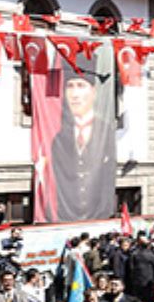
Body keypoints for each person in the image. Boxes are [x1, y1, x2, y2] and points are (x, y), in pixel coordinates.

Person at [49, 70, 116, 221]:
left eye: (80, 86)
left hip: (98, 213)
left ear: (93, 91)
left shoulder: (106, 131)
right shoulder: (58, 136)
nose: (74, 94)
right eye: (70, 86)